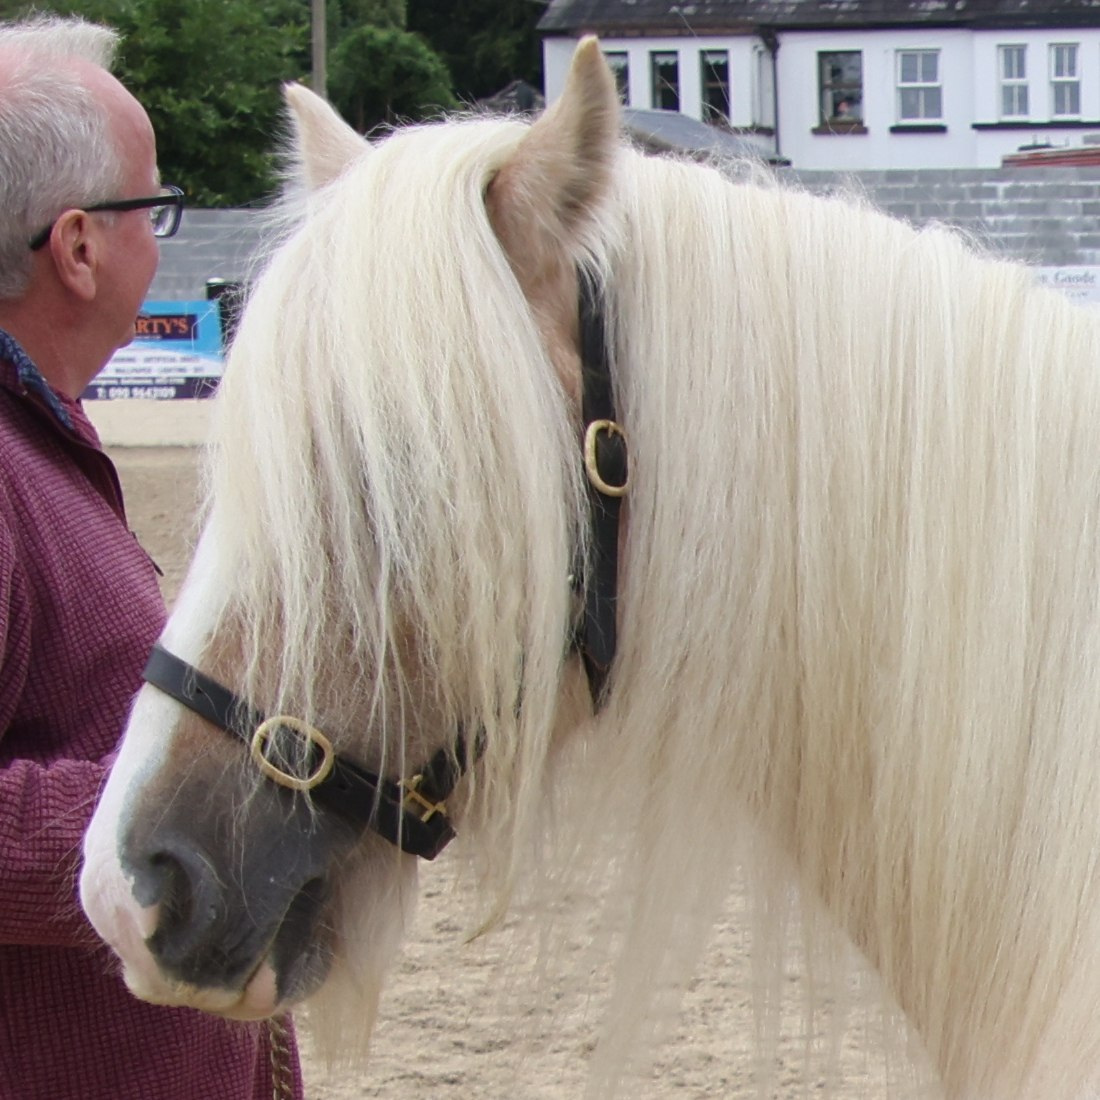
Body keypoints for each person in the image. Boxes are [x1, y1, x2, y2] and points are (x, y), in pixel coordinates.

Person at [0, 16, 303, 1099]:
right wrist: (188, 808)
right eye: (153, 206)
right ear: (78, 247)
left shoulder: (40, 440)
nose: (164, 235)